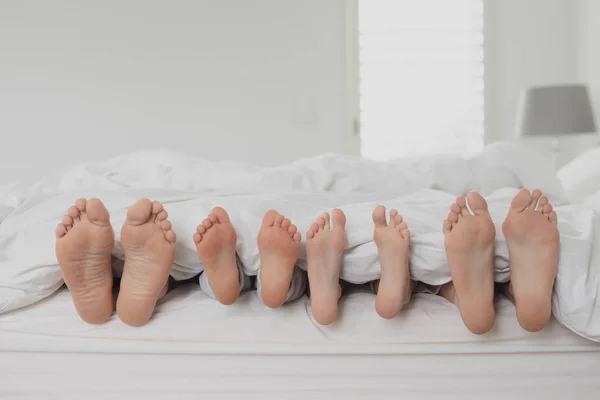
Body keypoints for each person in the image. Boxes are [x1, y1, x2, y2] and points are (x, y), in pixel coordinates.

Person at [305, 189, 560, 334]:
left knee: (367, 274)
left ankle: (395, 283)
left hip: (383, 272)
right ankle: (510, 290)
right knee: (450, 284)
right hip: (456, 269)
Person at [55, 198, 306, 326]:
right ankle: (278, 288)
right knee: (301, 275)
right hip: (277, 269)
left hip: (199, 271)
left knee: (189, 274)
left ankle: (151, 287)